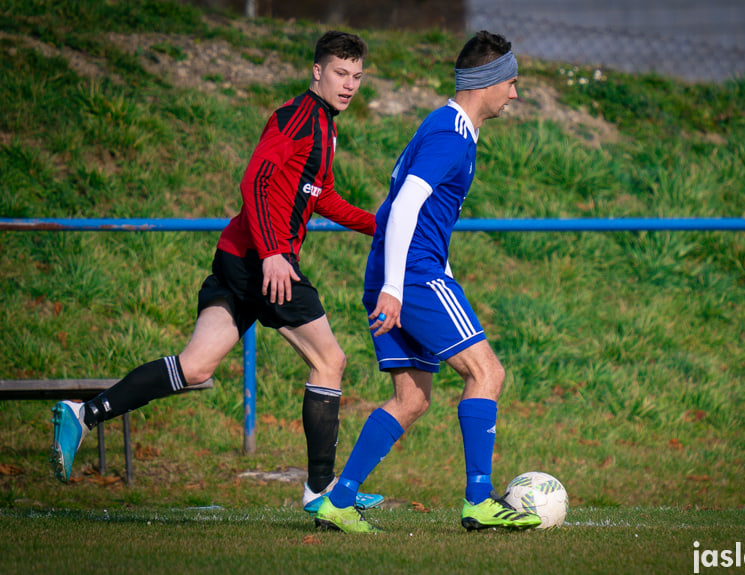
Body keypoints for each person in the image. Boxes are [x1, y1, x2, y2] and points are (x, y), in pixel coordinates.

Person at [49, 30, 384, 514]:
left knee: (195, 366)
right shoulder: (299, 118)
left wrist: (379, 225)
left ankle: (83, 414)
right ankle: (322, 491)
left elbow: (322, 195)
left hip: (238, 255)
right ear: (317, 71)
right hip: (264, 263)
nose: (349, 84)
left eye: (356, 76)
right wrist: (273, 252)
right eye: (339, 73)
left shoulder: (326, 127)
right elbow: (256, 178)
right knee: (330, 361)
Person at [313, 30, 541, 533]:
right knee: (488, 374)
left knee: (412, 399)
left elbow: (423, 215)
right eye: (512, 83)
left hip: (400, 274)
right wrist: (399, 286)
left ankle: (338, 499)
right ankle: (480, 499)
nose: (515, 94)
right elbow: (405, 208)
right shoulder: (450, 134)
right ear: (489, 82)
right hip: (410, 276)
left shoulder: (448, 128)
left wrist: (405, 280)